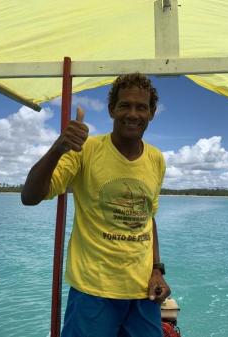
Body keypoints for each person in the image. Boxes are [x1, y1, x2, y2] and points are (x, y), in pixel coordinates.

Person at [21, 73, 170, 337]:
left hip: (143, 293)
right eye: (125, 105)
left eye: (141, 107)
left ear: (152, 113)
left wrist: (157, 270)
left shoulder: (156, 159)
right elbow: (30, 196)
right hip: (93, 292)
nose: (132, 114)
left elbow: (149, 218)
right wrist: (58, 148)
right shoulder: (86, 150)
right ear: (112, 109)